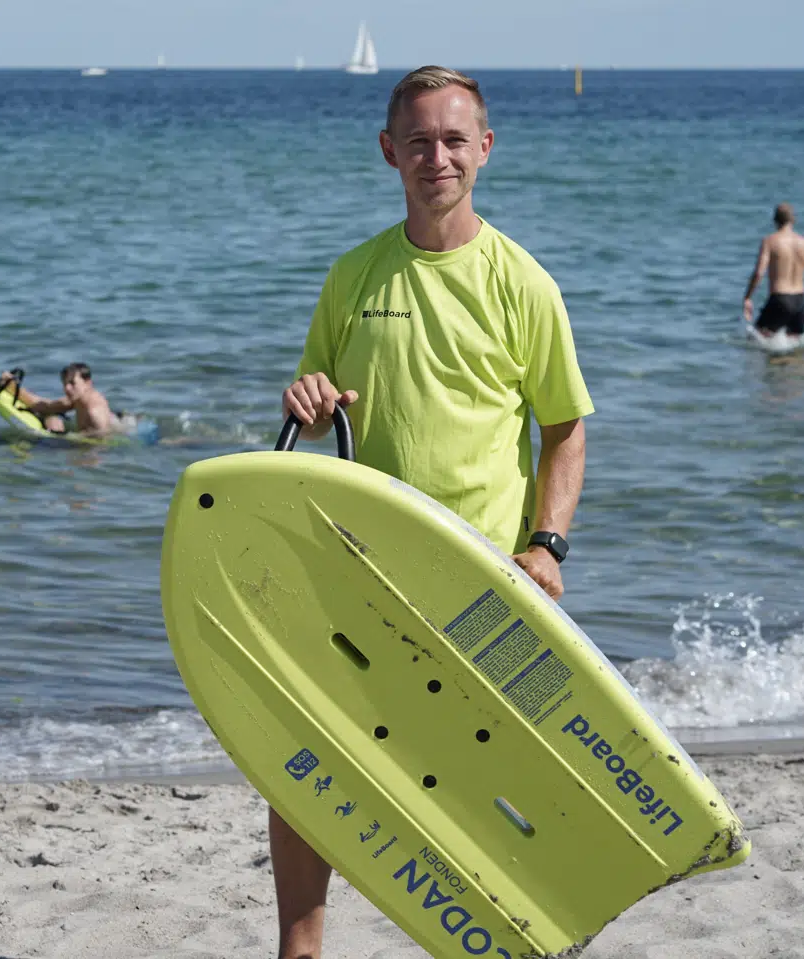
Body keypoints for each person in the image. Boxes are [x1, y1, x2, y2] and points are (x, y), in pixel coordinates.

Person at [275, 65, 593, 959]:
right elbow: (321, 400)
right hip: (360, 566)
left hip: (483, 578)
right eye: (418, 140)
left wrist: (548, 544)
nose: (437, 157)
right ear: (389, 152)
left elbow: (564, 430)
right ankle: (300, 947)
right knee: (312, 752)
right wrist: (309, 399)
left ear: (484, 150)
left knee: (473, 778)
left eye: (455, 140)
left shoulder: (523, 284)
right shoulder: (353, 275)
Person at [742, 203, 804, 337]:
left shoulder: (770, 242)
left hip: (779, 298)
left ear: (775, 220)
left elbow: (759, 273)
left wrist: (748, 297)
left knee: (755, 339)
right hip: (799, 301)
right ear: (793, 220)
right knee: (795, 349)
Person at [0, 363, 119, 435]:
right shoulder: (77, 399)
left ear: (88, 383)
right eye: (65, 384)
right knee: (51, 417)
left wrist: (58, 436)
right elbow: (45, 406)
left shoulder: (94, 412)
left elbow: (99, 448)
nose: (67, 388)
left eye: (72, 383)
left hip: (109, 434)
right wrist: (12, 386)